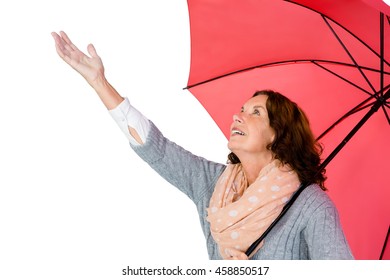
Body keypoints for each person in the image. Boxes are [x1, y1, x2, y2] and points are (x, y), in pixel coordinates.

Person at [51, 31, 354, 260]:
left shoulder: (312, 206)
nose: (239, 116)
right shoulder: (213, 184)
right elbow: (159, 150)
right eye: (242, 109)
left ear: (277, 134)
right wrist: (100, 83)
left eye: (255, 113)